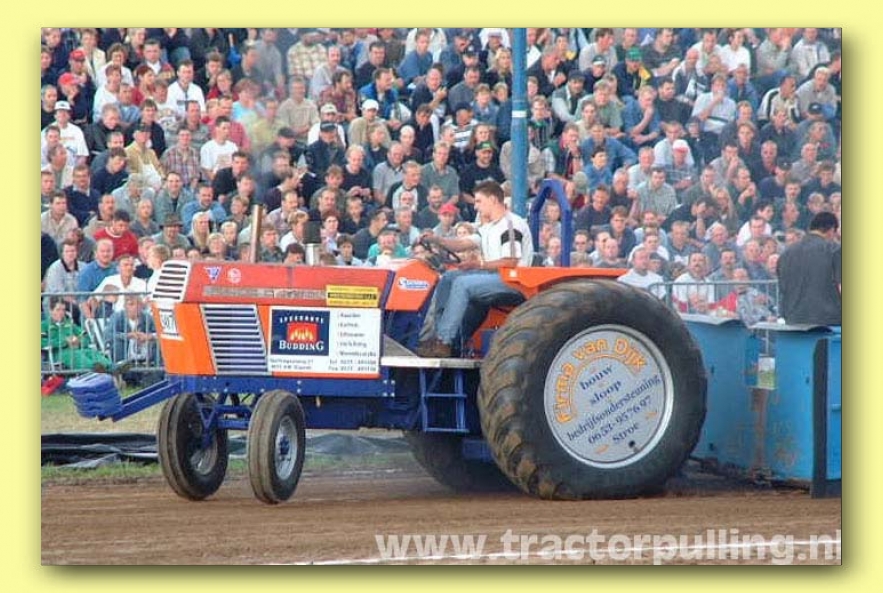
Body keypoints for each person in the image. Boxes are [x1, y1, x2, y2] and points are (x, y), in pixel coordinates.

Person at [417, 181, 533, 358]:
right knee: (449, 277)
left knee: (462, 283)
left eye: (479, 201)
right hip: (494, 276)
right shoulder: (488, 227)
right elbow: (462, 244)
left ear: (493, 200)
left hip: (514, 281)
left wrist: (478, 265)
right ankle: (437, 335)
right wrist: (436, 240)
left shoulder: (510, 225)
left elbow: (510, 261)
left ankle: (445, 341)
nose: (476, 206)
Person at [776, 211, 841, 326]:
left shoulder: (786, 254)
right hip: (828, 323)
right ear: (831, 230)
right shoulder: (834, 250)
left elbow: (783, 289)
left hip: (793, 322)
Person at [42, 297, 113, 372]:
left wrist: (78, 342)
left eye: (63, 310)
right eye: (58, 310)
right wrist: (65, 342)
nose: (61, 313)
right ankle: (95, 368)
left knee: (91, 352)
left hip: (77, 349)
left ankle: (112, 367)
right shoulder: (44, 325)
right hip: (59, 353)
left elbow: (86, 337)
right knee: (74, 355)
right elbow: (42, 342)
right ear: (51, 311)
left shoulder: (70, 324)